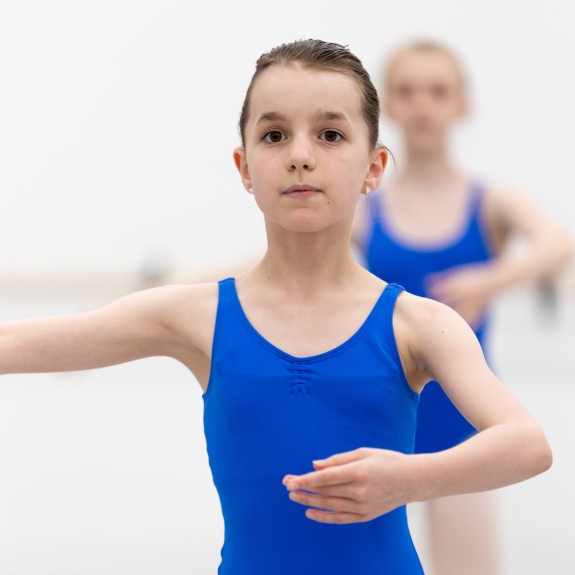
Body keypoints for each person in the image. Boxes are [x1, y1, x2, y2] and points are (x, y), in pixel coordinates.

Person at [1, 39, 553, 575]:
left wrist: (409, 479)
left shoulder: (421, 324)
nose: (300, 157)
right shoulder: (197, 316)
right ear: (244, 167)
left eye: (331, 134)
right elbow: (14, 344)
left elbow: (527, 444)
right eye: (274, 135)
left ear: (374, 168)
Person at [353, 40, 572, 575]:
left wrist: (492, 279)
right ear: (389, 108)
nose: (423, 104)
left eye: (438, 91)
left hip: (464, 418)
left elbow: (558, 242)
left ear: (460, 105)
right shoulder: (363, 210)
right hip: (382, 418)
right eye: (407, 91)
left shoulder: (491, 201)